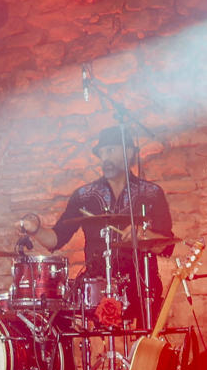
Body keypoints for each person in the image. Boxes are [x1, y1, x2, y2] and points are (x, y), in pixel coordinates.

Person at [19, 126, 176, 329]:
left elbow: (166, 244)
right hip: (96, 285)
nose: (105, 158)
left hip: (141, 285)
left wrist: (144, 235)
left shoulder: (152, 193)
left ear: (129, 152)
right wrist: (35, 229)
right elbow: (56, 239)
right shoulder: (84, 195)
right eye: (102, 153)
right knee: (56, 315)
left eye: (110, 150)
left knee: (147, 343)